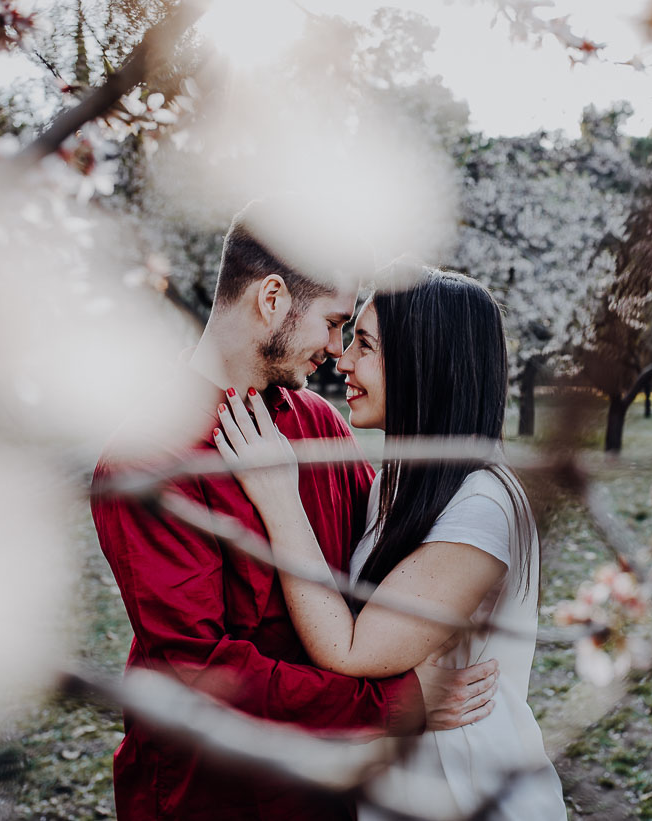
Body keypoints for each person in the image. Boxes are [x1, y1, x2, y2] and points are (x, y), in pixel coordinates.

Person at [91, 214, 500, 821]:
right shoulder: (148, 461)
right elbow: (201, 671)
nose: (338, 352)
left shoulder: (320, 423)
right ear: (272, 298)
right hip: (213, 793)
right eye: (335, 324)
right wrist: (392, 702)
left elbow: (381, 570)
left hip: (333, 787)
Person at [213, 269, 566, 820]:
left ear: (429, 364)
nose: (343, 359)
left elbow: (349, 650)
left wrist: (277, 496)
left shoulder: (483, 507)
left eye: (367, 344)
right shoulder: (397, 484)